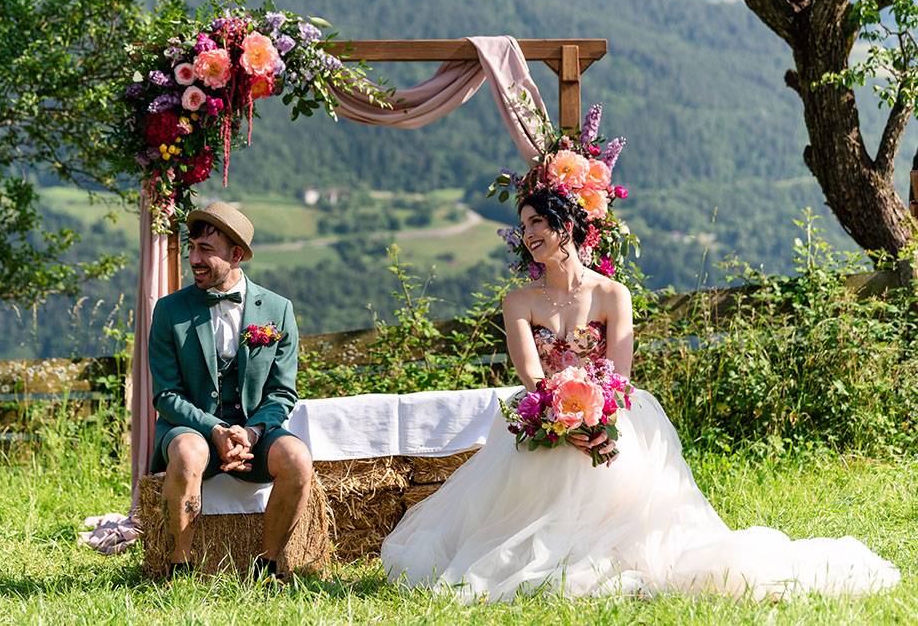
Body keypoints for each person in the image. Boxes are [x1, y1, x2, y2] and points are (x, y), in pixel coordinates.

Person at [380, 188, 900, 602]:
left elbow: (620, 372)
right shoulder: (519, 300)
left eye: (536, 222)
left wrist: (592, 419)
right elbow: (531, 372)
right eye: (523, 226)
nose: (528, 234)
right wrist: (561, 417)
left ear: (566, 228)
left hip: (610, 412)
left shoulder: (612, 294)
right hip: (544, 416)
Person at [148, 201, 312, 580]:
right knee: (188, 455)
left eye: (206, 249)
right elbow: (167, 395)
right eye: (192, 248)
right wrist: (214, 430)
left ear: (236, 254)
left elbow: (282, 392)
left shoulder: (278, 309)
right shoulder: (169, 311)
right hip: (190, 427)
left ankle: (268, 566)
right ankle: (180, 564)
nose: (193, 259)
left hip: (256, 431)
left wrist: (251, 432)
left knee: (298, 460)